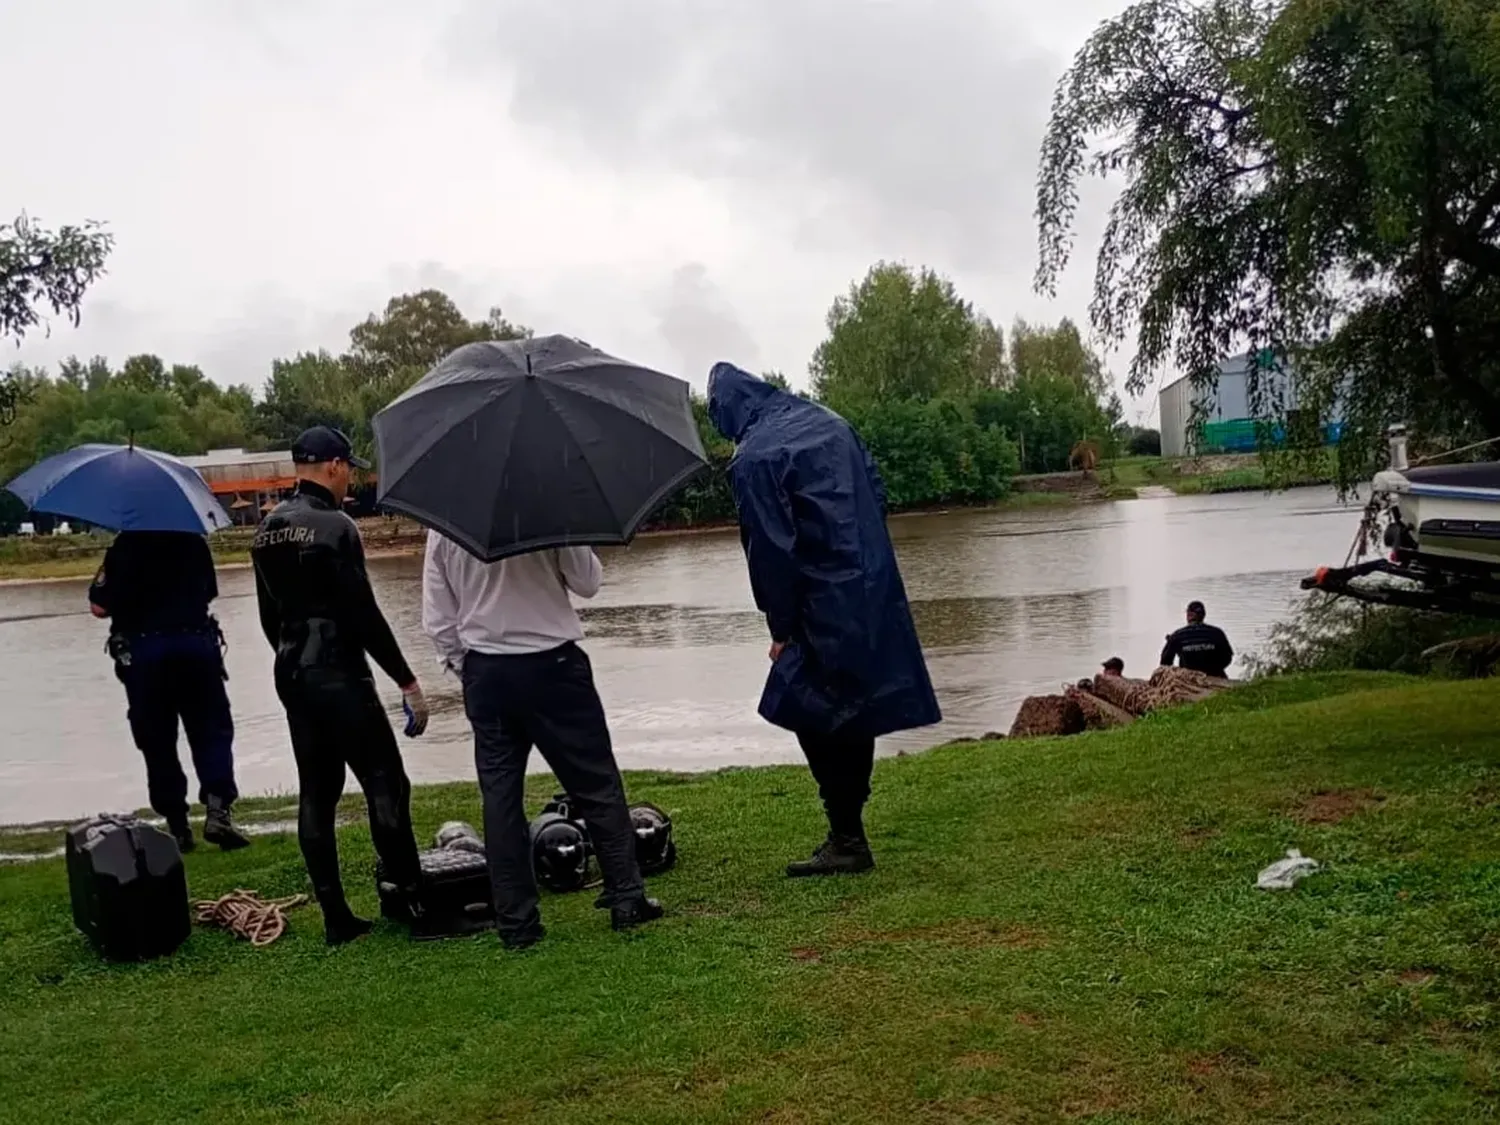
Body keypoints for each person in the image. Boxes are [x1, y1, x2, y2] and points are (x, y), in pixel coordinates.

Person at [706, 362, 942, 878]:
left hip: (818, 600)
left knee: (803, 704)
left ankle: (846, 834)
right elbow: (877, 495)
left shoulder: (755, 456)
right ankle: (849, 824)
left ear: (725, 410)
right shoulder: (832, 422)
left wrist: (780, 628)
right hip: (870, 584)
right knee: (853, 702)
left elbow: (770, 549)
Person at [422, 531, 662, 949]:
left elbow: (438, 617)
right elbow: (587, 583)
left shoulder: (445, 522)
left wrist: (467, 667)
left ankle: (517, 922)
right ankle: (626, 896)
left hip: (488, 668)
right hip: (553, 665)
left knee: (500, 798)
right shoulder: (550, 508)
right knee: (595, 783)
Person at [250, 425, 432, 945]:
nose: (349, 477)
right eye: (348, 467)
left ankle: (336, 916)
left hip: (292, 668)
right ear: (332, 465)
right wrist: (406, 678)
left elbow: (269, 618)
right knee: (386, 782)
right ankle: (415, 900)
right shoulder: (336, 526)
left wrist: (295, 662)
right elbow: (363, 613)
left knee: (317, 791)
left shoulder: (265, 532)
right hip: (338, 669)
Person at [88, 530, 248, 853]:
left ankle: (177, 826)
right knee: (211, 732)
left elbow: (98, 607)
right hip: (194, 648)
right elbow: (209, 593)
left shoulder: (123, 547)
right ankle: (218, 811)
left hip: (145, 656)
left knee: (156, 740)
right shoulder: (193, 541)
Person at [1160, 600, 1234, 678]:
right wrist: (1215, 668)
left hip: (1187, 678)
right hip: (1214, 675)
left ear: (1189, 615)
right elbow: (1227, 657)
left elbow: (1165, 662)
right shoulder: (1217, 633)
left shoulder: (1177, 635)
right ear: (1204, 615)